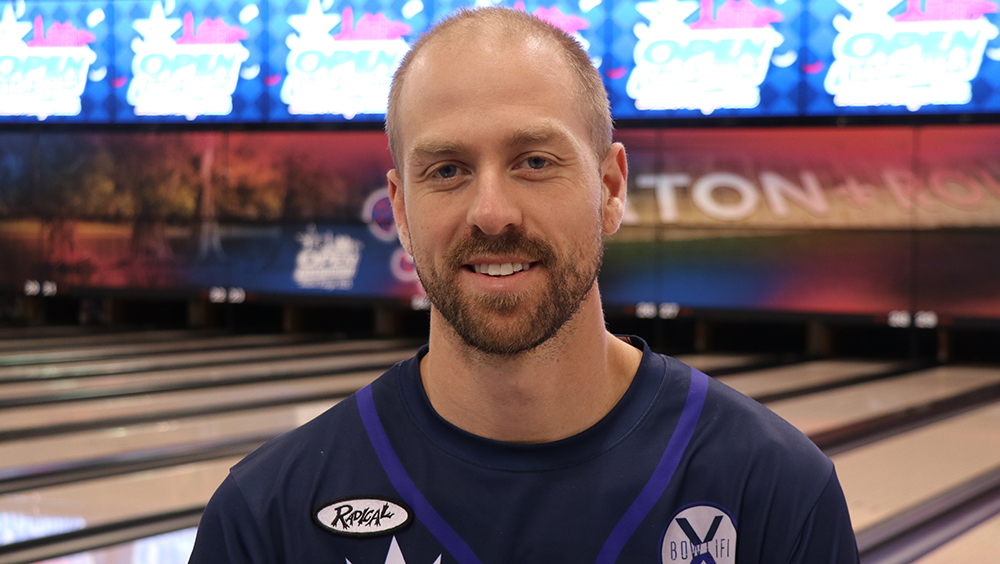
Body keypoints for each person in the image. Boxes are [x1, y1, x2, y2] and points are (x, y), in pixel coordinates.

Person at [188, 7, 859, 563]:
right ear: (399, 209)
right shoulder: (266, 518)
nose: (492, 212)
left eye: (534, 161)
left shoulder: (772, 492)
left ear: (610, 187)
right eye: (447, 170)